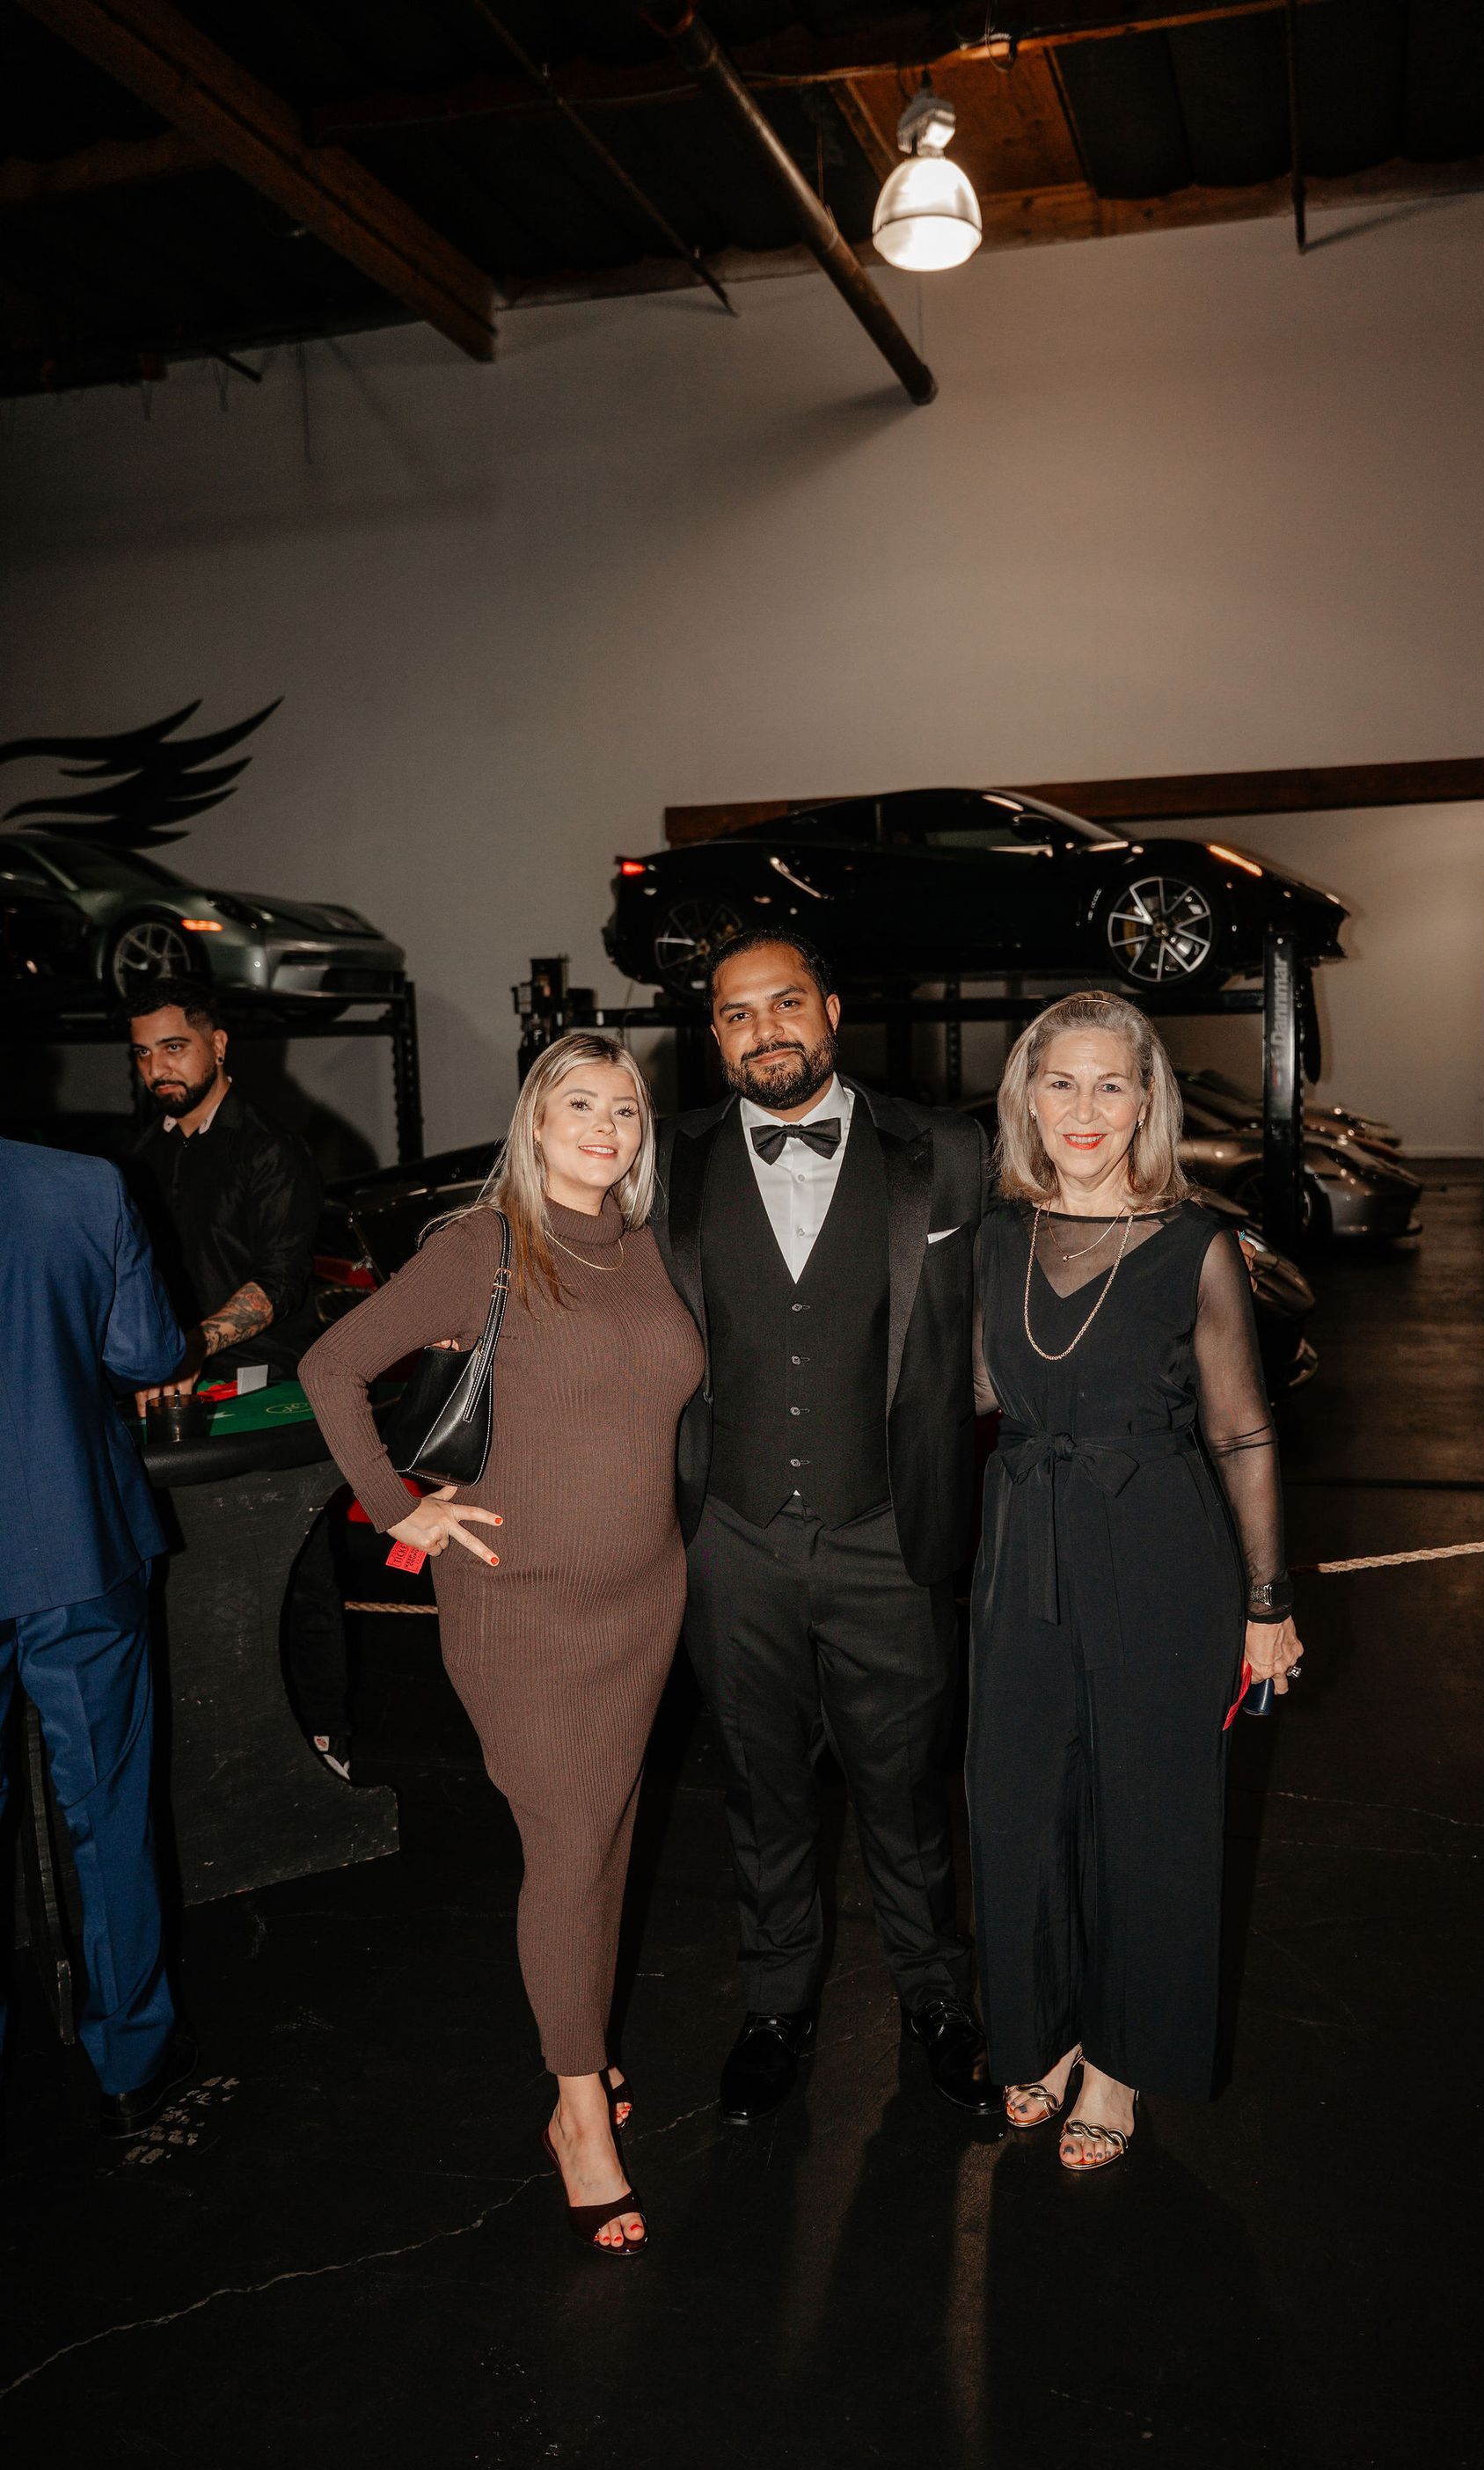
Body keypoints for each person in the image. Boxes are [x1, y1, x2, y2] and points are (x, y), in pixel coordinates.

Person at [300, 1034, 702, 2259]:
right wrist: (394, 1503)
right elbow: (332, 1364)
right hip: (522, 1608)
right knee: (568, 1849)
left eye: (624, 1107)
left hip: (647, 1600)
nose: (606, 1123)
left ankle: (582, 2040)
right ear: (534, 1121)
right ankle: (578, 2108)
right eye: (578, 1101)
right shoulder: (483, 1245)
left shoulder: (642, 1249)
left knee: (611, 1838)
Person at [650, 928, 996, 2125]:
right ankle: (776, 2004)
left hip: (889, 1532)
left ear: (833, 1009)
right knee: (759, 1789)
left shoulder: (944, 1151)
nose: (764, 1030)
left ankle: (936, 1999)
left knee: (905, 1789)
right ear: (716, 1034)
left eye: (784, 1002)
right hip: (728, 1536)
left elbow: (1017, 1298)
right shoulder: (668, 1162)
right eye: (737, 1014)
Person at [967, 991, 1303, 2168]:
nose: (1086, 1108)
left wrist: (1267, 1602)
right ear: (1026, 1097)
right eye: (1061, 1082)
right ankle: (1041, 2026)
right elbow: (961, 1392)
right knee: (1019, 1808)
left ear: (1148, 1099)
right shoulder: (994, 1237)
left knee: (1151, 1820)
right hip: (1021, 1554)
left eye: (1114, 1083)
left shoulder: (1196, 1242)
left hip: (1164, 1553)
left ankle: (1117, 2058)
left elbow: (1247, 1431)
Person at [0, 1136, 199, 2136]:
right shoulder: (77, 1184)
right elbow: (147, 1355)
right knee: (109, 1808)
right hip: (71, 1542)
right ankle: (132, 2058)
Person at [126, 985, 323, 1400]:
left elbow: (282, 1279)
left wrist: (192, 1349)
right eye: (143, 1053)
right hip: (166, 1379)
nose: (157, 1069)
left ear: (217, 1045)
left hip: (264, 1378)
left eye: (173, 1047)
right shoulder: (139, 1156)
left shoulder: (269, 1147)